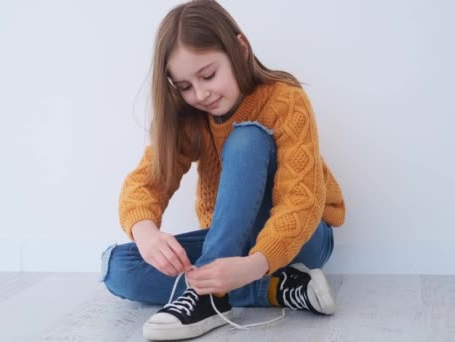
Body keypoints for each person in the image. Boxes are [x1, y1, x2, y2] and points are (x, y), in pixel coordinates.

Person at [100, 0, 346, 340]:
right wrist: (146, 233)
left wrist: (255, 263)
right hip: (233, 246)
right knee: (118, 267)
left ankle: (209, 297)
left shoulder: (284, 100)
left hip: (303, 238)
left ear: (239, 48)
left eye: (208, 75)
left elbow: (301, 203)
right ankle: (276, 288)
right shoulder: (189, 120)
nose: (200, 94)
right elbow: (146, 182)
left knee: (246, 138)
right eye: (184, 86)